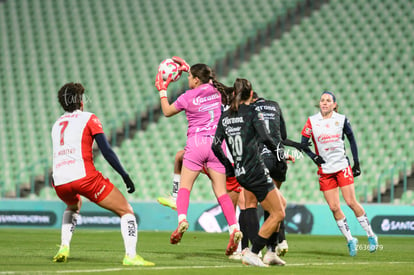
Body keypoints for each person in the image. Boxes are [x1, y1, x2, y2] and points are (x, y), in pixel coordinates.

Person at [51, 83, 154, 266]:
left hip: (59, 181)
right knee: (126, 211)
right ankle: (131, 256)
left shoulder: (56, 124)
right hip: (84, 178)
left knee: (73, 206)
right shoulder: (89, 118)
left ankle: (64, 246)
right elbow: (106, 151)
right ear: (80, 102)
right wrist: (124, 175)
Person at [212, 78, 306, 267]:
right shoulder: (254, 111)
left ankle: (270, 253)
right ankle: (254, 252)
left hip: (240, 172)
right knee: (278, 212)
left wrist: (229, 167)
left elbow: (215, 145)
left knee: (279, 203)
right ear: (251, 93)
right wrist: (281, 154)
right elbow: (266, 137)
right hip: (255, 169)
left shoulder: (226, 116)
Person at [154, 57, 242, 256]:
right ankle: (234, 228)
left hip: (196, 144)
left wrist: (162, 89)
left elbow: (167, 111)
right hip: (217, 146)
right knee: (221, 193)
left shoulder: (188, 96)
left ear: (195, 80)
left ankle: (182, 219)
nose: (188, 80)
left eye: (190, 78)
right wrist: (188, 70)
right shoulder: (218, 92)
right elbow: (211, 83)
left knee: (185, 187)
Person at [300, 91, 378, 256]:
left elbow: (352, 139)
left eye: (328, 100)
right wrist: (313, 156)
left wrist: (356, 162)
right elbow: (303, 144)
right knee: (334, 207)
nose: (325, 103)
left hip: (342, 166)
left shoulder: (341, 119)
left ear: (334, 104)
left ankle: (371, 235)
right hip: (326, 171)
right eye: (322, 100)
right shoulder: (311, 121)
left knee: (351, 202)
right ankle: (350, 239)